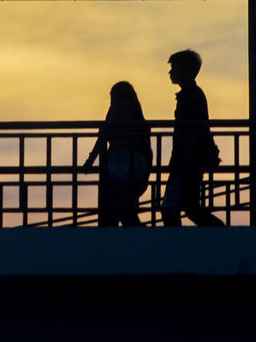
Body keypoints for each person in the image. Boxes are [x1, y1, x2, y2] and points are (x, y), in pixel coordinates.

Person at [161, 49, 225, 227]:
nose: (170, 72)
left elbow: (194, 131)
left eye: (174, 68)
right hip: (188, 159)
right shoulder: (191, 95)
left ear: (187, 70)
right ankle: (219, 233)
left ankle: (219, 232)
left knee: (173, 208)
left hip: (187, 160)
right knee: (186, 207)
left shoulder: (191, 96)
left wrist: (184, 161)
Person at [82, 81, 153, 226]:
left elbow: (103, 137)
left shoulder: (115, 110)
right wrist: (146, 173)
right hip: (136, 166)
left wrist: (90, 160)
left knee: (113, 206)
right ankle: (137, 234)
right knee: (127, 204)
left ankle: (124, 234)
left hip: (117, 163)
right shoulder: (138, 116)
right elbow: (148, 148)